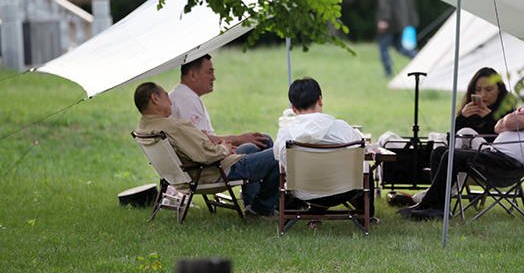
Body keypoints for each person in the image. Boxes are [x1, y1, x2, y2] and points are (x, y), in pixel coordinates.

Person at [399, 62, 524, 220]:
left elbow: (510, 123)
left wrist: (508, 119)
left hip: (508, 164)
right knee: (440, 152)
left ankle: (435, 207)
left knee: (451, 155)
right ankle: (432, 205)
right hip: (497, 156)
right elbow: (500, 127)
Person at [133, 82, 279, 216]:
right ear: (155, 99)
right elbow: (207, 155)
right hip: (213, 171)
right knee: (279, 154)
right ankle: (262, 208)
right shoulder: (174, 127)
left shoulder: (144, 127)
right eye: (166, 95)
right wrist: (225, 147)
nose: (170, 101)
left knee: (253, 146)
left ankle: (251, 205)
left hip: (186, 175)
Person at [274, 77, 372, 214]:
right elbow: (362, 152)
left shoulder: (286, 134)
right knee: (365, 167)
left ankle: (314, 211)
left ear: (293, 108)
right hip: (344, 190)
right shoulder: (341, 128)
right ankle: (367, 215)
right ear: (320, 99)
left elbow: (280, 161)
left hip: (302, 193)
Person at [170, 54, 271, 152]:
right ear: (193, 75)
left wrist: (234, 141)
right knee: (262, 143)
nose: (213, 77)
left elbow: (204, 139)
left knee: (263, 140)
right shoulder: (187, 99)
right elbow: (203, 143)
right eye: (209, 72)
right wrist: (238, 139)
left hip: (214, 154)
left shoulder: (182, 95)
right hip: (213, 163)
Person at [376, 0, 419, 76]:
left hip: (390, 21)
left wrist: (384, 19)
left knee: (383, 47)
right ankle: (420, 58)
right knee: (400, 47)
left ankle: (388, 74)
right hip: (401, 20)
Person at [455, 67, 515, 136]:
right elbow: (453, 140)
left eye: (489, 89)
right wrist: (462, 118)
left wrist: (489, 119)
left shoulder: (509, 113)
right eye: (478, 89)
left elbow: (503, 140)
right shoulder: (468, 112)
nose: (483, 95)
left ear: (499, 90)